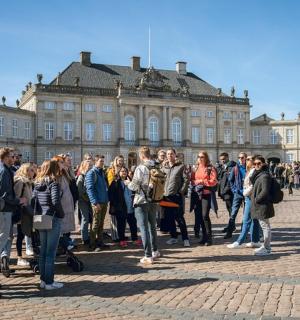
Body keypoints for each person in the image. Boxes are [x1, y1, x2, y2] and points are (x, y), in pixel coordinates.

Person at [34, 160, 65, 290]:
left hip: (40, 217)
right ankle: (49, 282)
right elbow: (55, 201)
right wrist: (61, 214)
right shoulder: (54, 183)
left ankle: (43, 280)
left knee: (43, 252)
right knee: (50, 252)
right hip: (52, 217)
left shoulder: (37, 183)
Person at [127, 146, 160, 265]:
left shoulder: (141, 168)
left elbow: (134, 186)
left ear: (141, 156)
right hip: (154, 200)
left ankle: (148, 255)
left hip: (141, 200)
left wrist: (127, 183)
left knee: (144, 228)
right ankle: (155, 250)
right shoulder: (156, 166)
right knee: (152, 227)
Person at [0, 148, 27, 279]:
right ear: (5, 157)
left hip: (5, 210)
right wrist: (19, 200)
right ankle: (4, 258)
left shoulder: (5, 169)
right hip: (4, 210)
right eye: (12, 156)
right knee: (3, 239)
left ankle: (4, 260)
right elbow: (5, 195)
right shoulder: (4, 171)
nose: (14, 158)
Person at [227, 156, 260, 248]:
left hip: (250, 197)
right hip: (249, 197)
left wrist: (244, 192)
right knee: (254, 220)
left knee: (246, 220)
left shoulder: (253, 171)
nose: (248, 160)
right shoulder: (249, 170)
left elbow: (253, 185)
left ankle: (239, 241)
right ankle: (255, 240)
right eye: (248, 159)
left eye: (250, 159)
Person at [161, 149, 190, 247]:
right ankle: (173, 237)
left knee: (179, 218)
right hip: (165, 196)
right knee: (169, 218)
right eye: (168, 154)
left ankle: (185, 238)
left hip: (176, 196)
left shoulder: (181, 166)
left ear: (175, 155)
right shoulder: (163, 167)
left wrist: (181, 192)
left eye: (171, 154)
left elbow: (186, 180)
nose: (169, 156)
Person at [108, 167, 141, 247]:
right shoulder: (115, 182)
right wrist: (114, 205)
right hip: (121, 208)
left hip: (131, 207)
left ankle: (134, 238)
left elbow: (136, 191)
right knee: (121, 225)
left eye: (125, 171)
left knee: (133, 224)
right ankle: (122, 240)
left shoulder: (131, 181)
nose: (124, 172)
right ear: (119, 173)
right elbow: (111, 195)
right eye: (122, 171)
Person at [191, 151, 218, 246]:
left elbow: (214, 181)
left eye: (202, 157)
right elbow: (192, 181)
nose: (200, 158)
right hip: (197, 194)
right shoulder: (195, 168)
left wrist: (202, 181)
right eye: (198, 156)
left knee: (205, 215)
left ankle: (209, 237)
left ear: (206, 158)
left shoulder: (210, 168)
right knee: (200, 216)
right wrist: (196, 182)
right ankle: (204, 237)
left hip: (206, 194)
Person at [250, 155, 275, 256]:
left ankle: (267, 248)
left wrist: (257, 199)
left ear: (263, 164)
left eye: (259, 163)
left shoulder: (264, 175)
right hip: (260, 205)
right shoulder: (259, 174)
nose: (256, 165)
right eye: (255, 164)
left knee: (265, 226)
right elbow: (252, 181)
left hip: (262, 205)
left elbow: (264, 191)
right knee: (264, 225)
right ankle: (265, 246)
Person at [85, 155, 109, 251]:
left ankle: (100, 242)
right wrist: (95, 202)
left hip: (104, 201)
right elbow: (89, 189)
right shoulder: (91, 173)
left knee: (101, 223)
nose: (102, 163)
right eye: (100, 161)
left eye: (103, 161)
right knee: (95, 223)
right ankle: (92, 244)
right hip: (97, 202)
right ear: (95, 162)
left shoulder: (101, 172)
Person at [14, 163, 35, 266]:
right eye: (31, 170)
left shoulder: (29, 182)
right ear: (26, 171)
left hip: (27, 212)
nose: (33, 172)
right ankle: (19, 257)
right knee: (20, 235)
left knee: (24, 233)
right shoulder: (20, 182)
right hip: (21, 212)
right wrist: (21, 201)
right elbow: (15, 197)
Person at [52, 156, 76, 249]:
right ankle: (61, 245)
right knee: (60, 228)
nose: (64, 163)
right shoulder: (55, 176)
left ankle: (64, 244)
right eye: (61, 162)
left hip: (67, 204)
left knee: (65, 227)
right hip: (60, 206)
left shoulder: (63, 174)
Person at [223, 152, 247, 239]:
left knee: (246, 215)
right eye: (239, 157)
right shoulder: (235, 168)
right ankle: (229, 232)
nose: (241, 159)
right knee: (233, 214)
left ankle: (243, 232)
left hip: (247, 194)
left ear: (246, 158)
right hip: (238, 194)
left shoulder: (248, 168)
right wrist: (234, 190)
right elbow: (230, 180)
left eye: (242, 157)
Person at [107, 155, 125, 242]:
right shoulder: (111, 171)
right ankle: (114, 236)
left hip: (122, 197)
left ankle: (121, 235)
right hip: (114, 197)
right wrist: (116, 176)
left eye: (122, 160)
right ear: (116, 161)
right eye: (119, 161)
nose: (120, 162)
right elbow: (110, 184)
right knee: (114, 217)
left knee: (121, 218)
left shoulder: (124, 169)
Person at [76, 160, 93, 245]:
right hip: (83, 201)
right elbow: (80, 191)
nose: (90, 167)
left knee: (92, 219)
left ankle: (92, 236)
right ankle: (85, 238)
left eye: (91, 165)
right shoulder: (81, 177)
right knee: (85, 219)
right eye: (89, 165)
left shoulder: (91, 175)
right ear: (84, 166)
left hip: (90, 200)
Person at [217, 153, 236, 222]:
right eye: (221, 159)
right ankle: (231, 225)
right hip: (225, 191)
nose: (223, 161)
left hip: (229, 191)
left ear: (228, 158)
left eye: (224, 159)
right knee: (229, 208)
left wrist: (224, 190)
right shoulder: (223, 167)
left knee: (231, 208)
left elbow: (230, 181)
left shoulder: (231, 167)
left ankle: (232, 226)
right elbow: (219, 178)